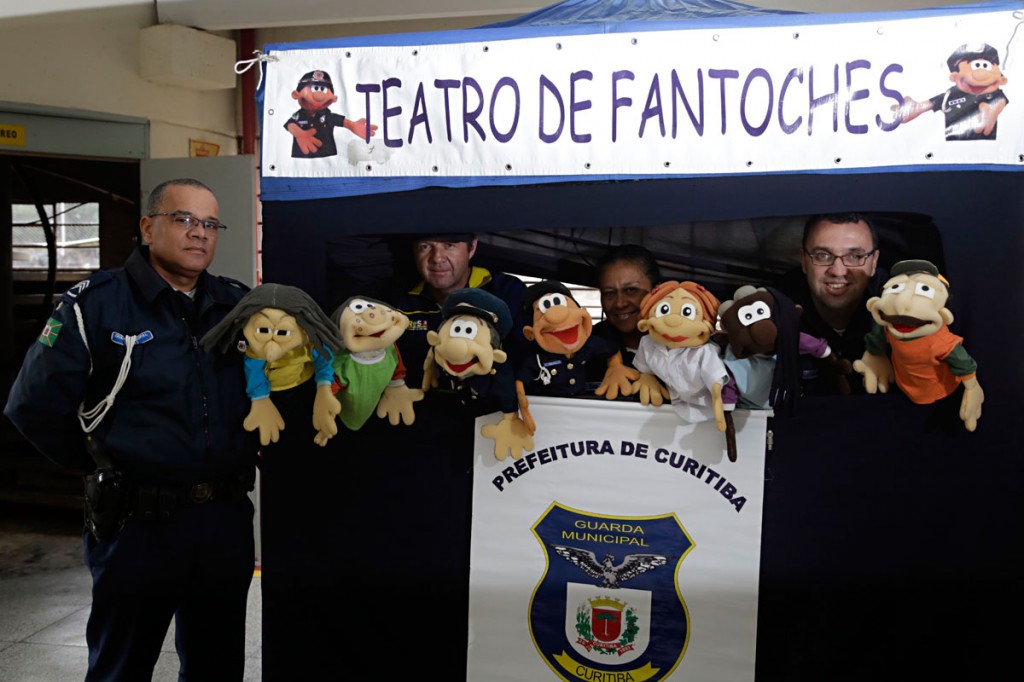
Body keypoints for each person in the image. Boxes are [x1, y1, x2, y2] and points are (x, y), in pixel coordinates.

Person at [4, 178, 257, 680]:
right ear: (147, 227)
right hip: (139, 525)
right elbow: (32, 404)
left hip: (223, 519)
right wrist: (103, 465)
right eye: (184, 219)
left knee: (217, 665)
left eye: (210, 224)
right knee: (122, 665)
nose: (199, 233)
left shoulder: (237, 306)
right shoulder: (96, 304)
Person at [392, 232, 528, 388]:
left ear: (472, 248)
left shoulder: (508, 292)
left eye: (449, 245)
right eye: (425, 246)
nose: (437, 258)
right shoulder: (400, 301)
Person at [780, 212, 885, 395]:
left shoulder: (899, 305)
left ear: (874, 262)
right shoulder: (775, 307)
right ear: (804, 260)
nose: (838, 271)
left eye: (855, 256)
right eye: (822, 255)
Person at [588, 244, 661, 388]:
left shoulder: (684, 345)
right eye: (609, 293)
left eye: (631, 290)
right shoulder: (587, 347)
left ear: (657, 291)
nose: (620, 303)